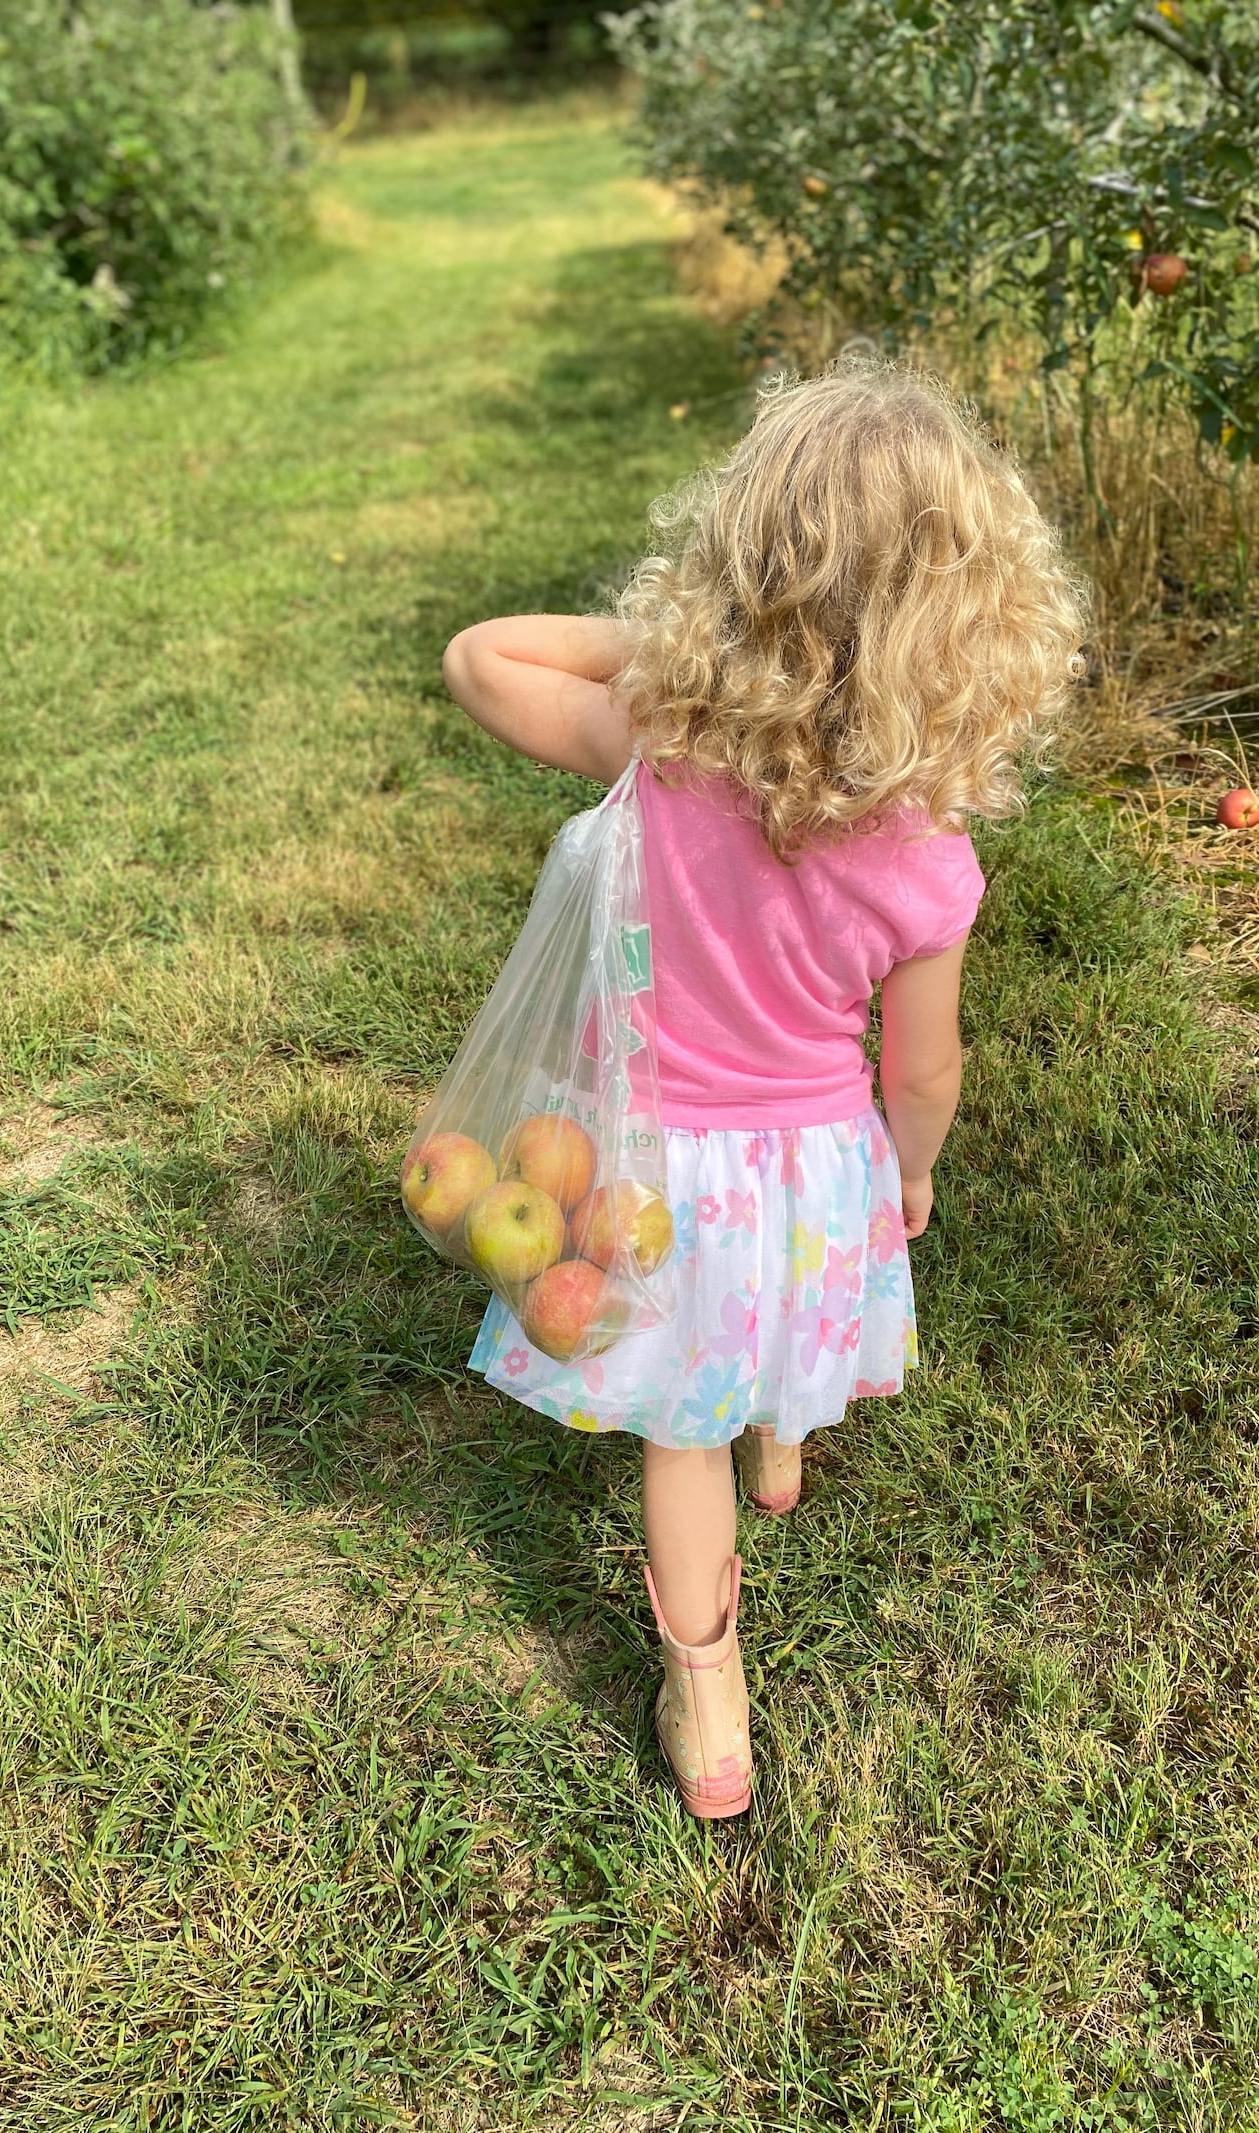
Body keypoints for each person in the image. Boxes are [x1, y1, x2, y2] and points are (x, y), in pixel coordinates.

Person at [442, 353, 1085, 1819]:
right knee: (783, 1336)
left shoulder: (660, 752)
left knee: (685, 1434)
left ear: (739, 571)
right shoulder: (928, 852)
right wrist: (908, 1168)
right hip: (805, 1176)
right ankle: (782, 1442)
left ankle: (711, 1702)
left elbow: (482, 656)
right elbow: (922, 1069)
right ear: (976, 626)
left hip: (658, 1175)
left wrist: (678, 654)